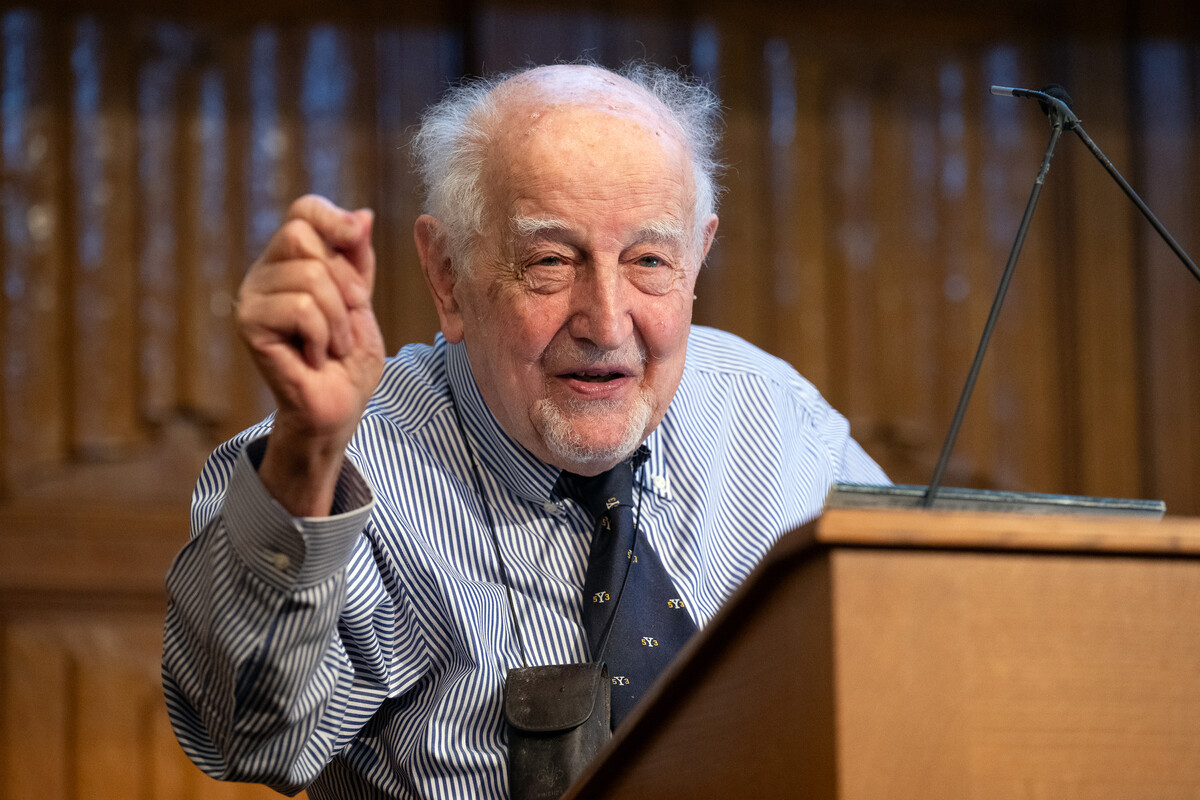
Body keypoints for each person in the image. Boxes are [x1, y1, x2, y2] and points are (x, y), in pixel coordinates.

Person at [162, 62, 887, 799]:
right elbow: (249, 735)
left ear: (697, 256)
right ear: (448, 275)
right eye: (549, 261)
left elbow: (923, 645)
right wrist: (309, 450)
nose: (606, 323)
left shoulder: (779, 422)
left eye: (648, 260)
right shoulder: (334, 467)